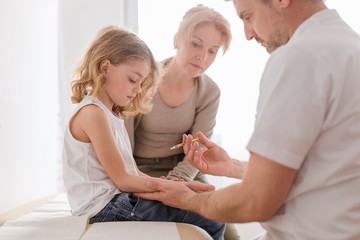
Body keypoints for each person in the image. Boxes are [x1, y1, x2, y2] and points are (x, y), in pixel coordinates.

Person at [135, 0, 360, 239]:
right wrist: (233, 167)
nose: (248, 34)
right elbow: (323, 169)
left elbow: (256, 200)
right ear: (176, 40)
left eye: (248, 16)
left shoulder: (298, 58)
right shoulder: (349, 45)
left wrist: (190, 199)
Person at [61, 25, 225, 240]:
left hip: (116, 202)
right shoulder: (93, 114)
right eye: (133, 79)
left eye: (141, 82)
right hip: (103, 209)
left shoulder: (110, 114)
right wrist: (172, 189)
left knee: (210, 208)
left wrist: (182, 187)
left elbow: (132, 173)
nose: (138, 89)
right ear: (105, 67)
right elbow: (122, 179)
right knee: (211, 218)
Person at [124, 4, 239, 239]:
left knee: (229, 233)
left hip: (187, 168)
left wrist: (178, 180)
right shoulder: (144, 78)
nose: (202, 57)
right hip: (138, 168)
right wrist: (139, 178)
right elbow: (122, 142)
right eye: (196, 44)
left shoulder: (209, 92)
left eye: (212, 51)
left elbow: (199, 149)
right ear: (177, 40)